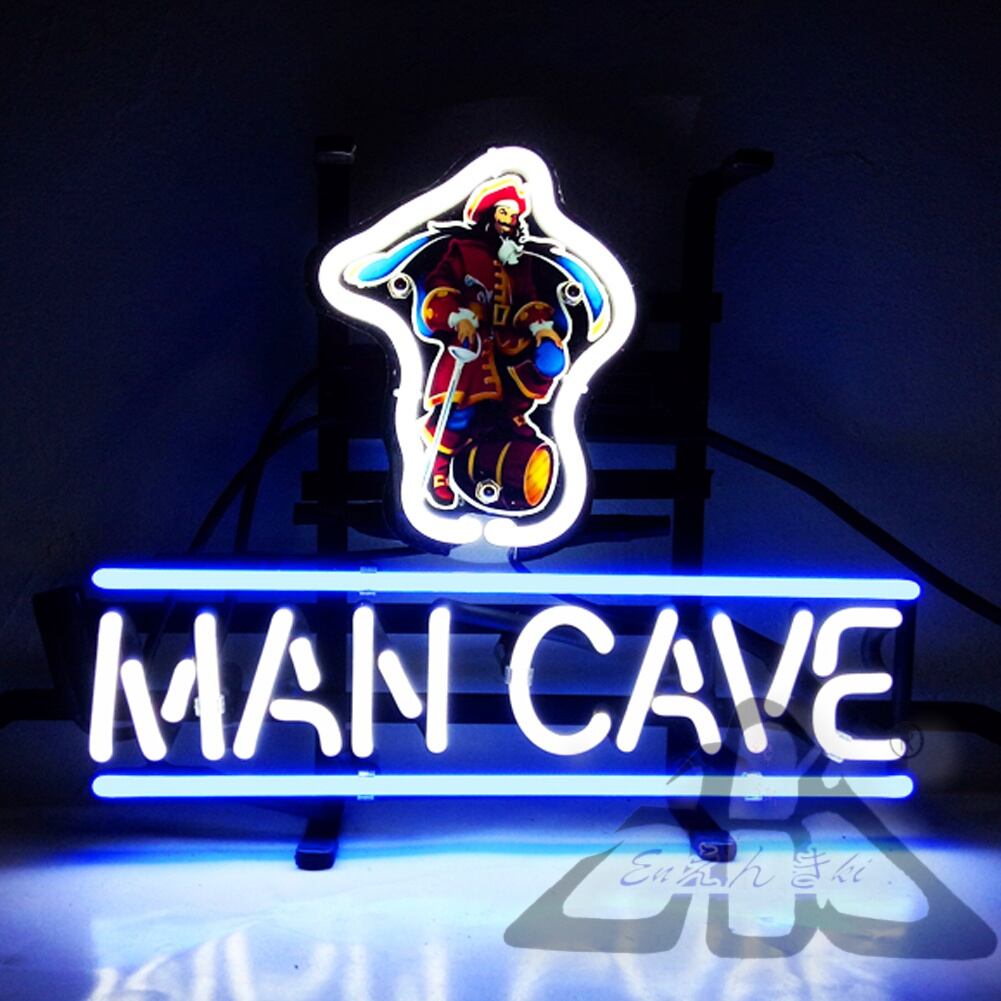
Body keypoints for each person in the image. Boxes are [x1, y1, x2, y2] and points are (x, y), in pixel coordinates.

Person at [418, 179, 568, 509]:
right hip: (472, 346)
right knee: (460, 411)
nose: (509, 220)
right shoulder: (463, 251)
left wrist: (541, 329)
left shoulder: (519, 261)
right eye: (503, 212)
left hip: (509, 344)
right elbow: (439, 286)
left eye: (513, 215)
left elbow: (528, 299)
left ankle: (514, 428)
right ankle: (440, 469)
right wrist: (457, 316)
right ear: (489, 216)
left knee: (541, 370)